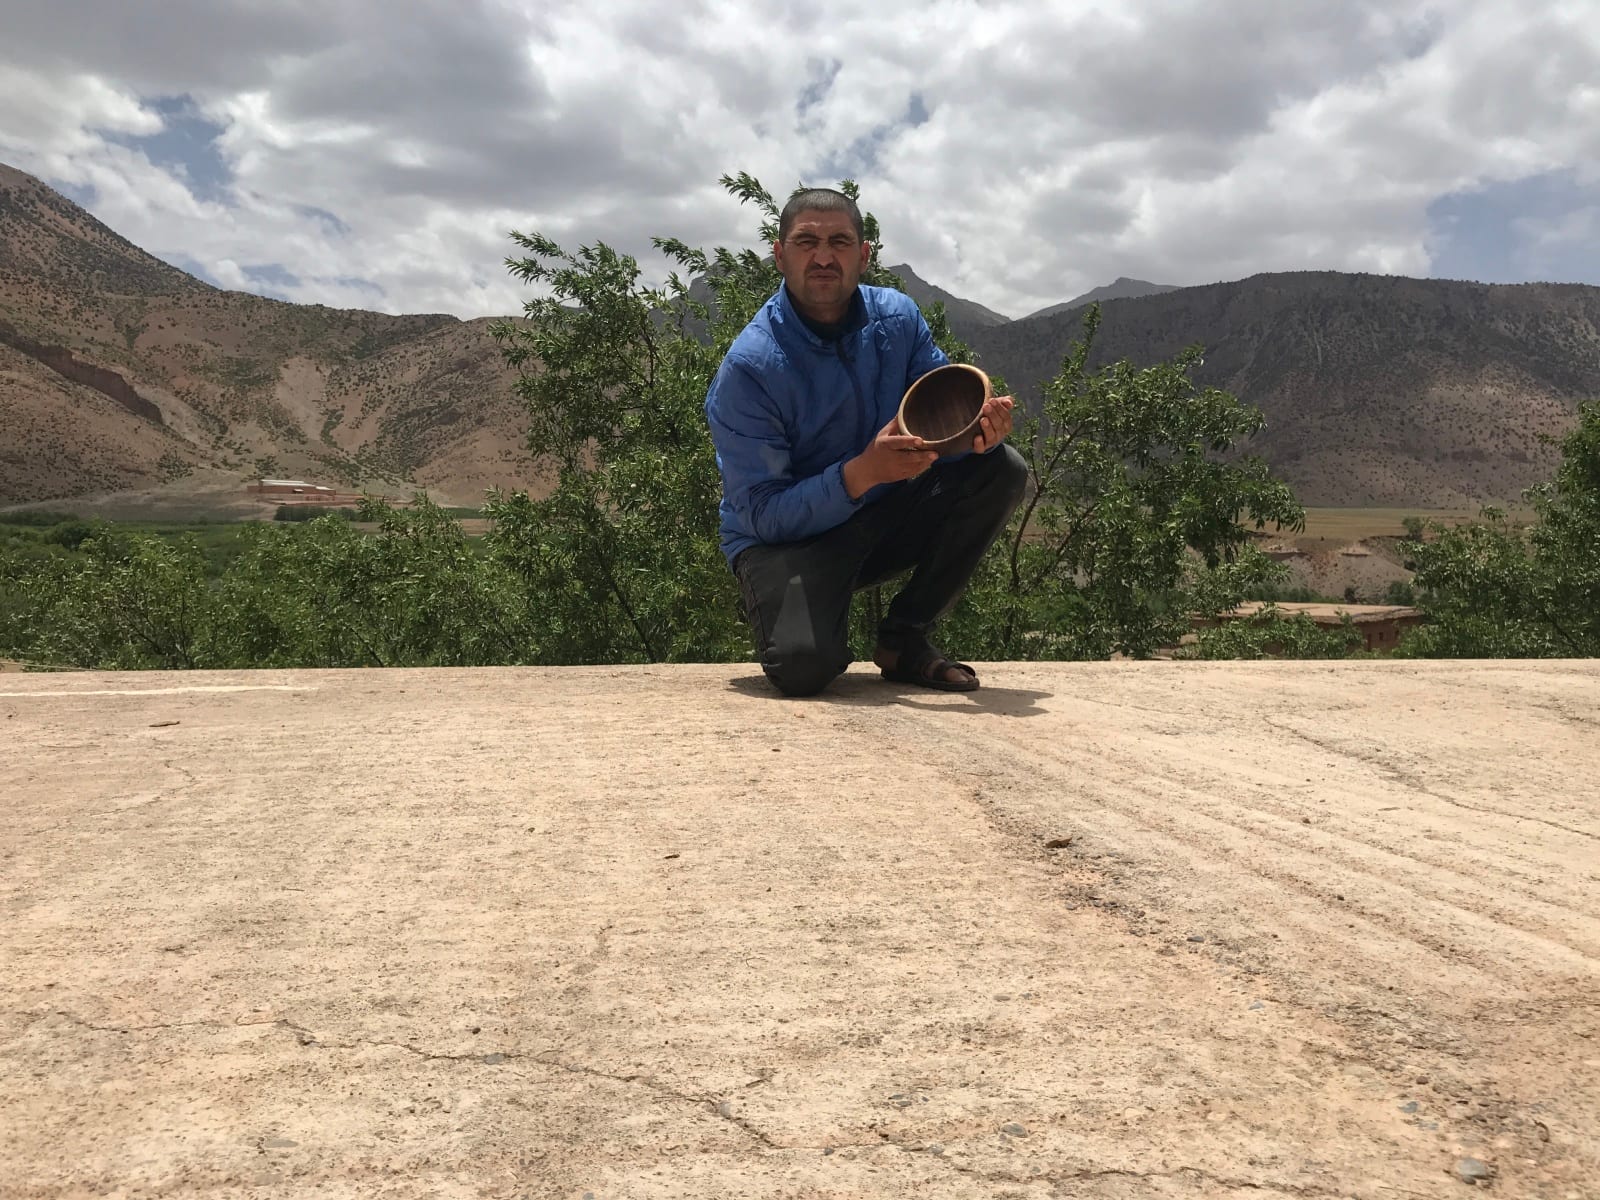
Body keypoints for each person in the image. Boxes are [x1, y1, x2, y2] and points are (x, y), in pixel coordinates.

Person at [705, 187, 1027, 697]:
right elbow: (762, 514)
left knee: (1001, 468)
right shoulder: (751, 368)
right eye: (806, 241)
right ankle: (809, 619)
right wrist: (865, 472)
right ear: (780, 254)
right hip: (784, 545)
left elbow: (943, 426)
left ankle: (904, 639)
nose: (824, 256)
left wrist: (980, 433)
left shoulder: (897, 319)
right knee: (804, 669)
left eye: (839, 241)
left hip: (881, 512)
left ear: (864, 255)